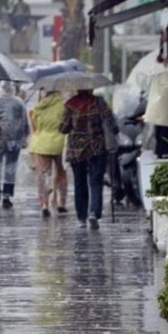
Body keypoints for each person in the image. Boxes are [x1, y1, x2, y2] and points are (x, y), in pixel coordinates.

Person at [59, 89, 118, 229]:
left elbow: (63, 128)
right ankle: (94, 212)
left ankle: (81, 218)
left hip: (76, 150)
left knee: (79, 183)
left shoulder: (70, 104)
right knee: (96, 181)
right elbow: (111, 123)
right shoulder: (99, 102)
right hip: (96, 147)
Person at [0, 81, 30, 209]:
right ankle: (7, 195)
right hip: (15, 140)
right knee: (11, 167)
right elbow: (25, 122)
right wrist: (25, 137)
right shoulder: (19, 102)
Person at [30, 90, 67, 217]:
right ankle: (61, 202)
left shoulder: (38, 106)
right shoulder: (63, 105)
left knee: (43, 175)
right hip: (59, 142)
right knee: (61, 172)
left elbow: (35, 124)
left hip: (42, 143)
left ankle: (44, 204)